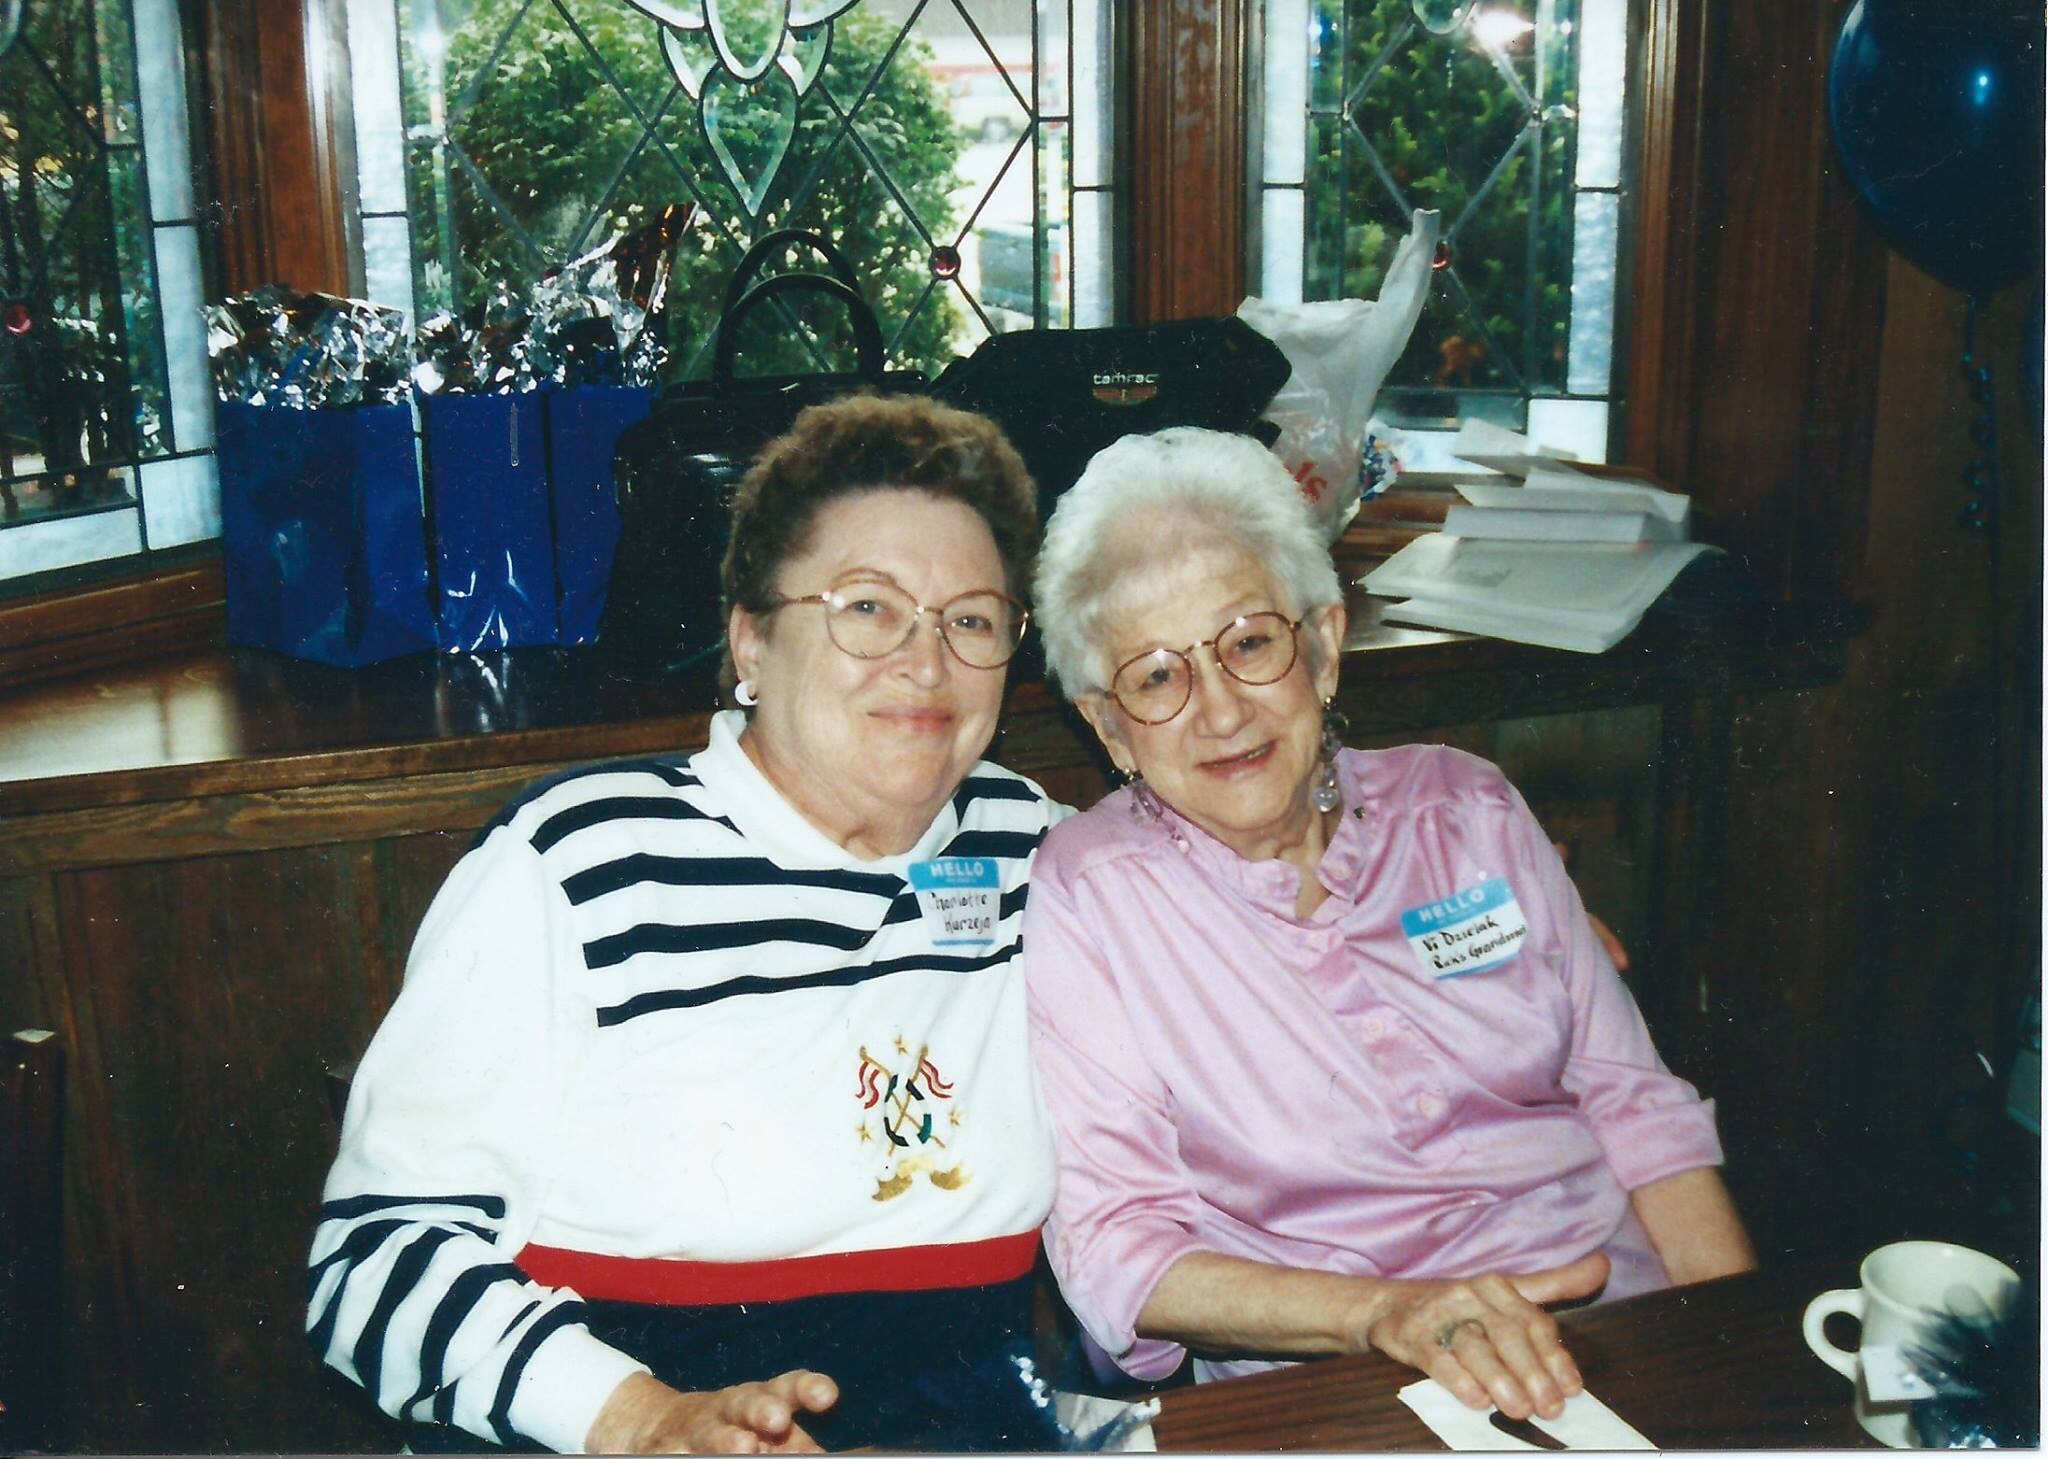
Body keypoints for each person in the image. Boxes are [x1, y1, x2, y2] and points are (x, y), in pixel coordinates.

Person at [308, 396, 1069, 1454]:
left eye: (972, 619)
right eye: (868, 607)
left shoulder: (1042, 852)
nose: (926, 661)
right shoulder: (580, 861)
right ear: (750, 641)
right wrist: (641, 1418)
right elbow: (371, 1268)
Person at [1023, 427, 1758, 1423]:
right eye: (1156, 676)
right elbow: (1119, 1251)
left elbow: (1638, 1109)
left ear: (1323, 647)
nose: (1220, 711)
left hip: (1616, 1329)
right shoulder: (1092, 896)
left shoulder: (1466, 806)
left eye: (1249, 642)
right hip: (1352, 1389)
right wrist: (1388, 1315)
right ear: (1109, 727)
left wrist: (1730, 1354)